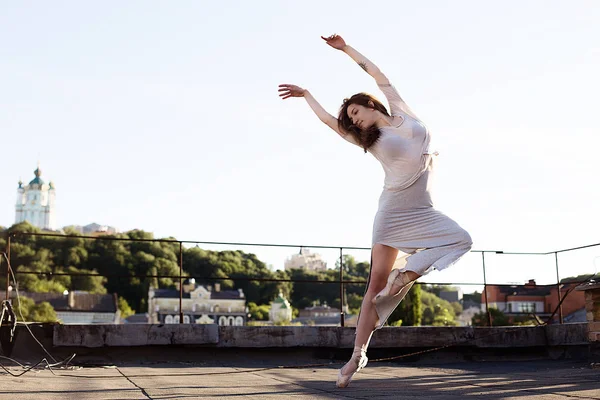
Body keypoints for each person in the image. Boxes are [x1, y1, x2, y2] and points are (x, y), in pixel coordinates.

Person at [278, 34, 472, 388]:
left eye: (356, 112)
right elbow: (327, 122)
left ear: (370, 105)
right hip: (393, 212)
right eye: (351, 119)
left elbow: (378, 74)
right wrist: (307, 95)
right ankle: (356, 356)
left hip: (424, 210)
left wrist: (345, 49)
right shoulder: (370, 141)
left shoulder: (401, 111)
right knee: (374, 287)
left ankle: (406, 275)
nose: (355, 120)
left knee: (461, 239)